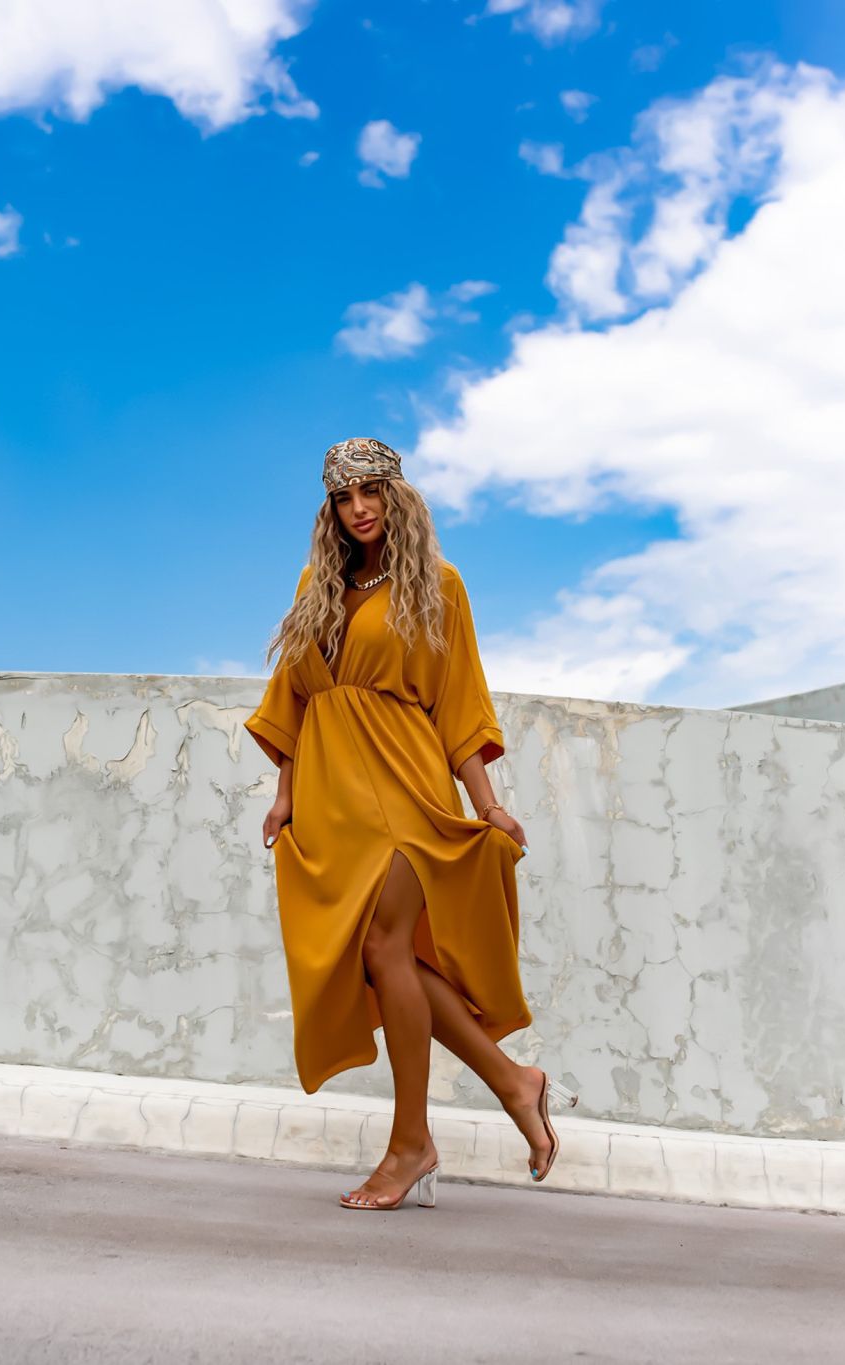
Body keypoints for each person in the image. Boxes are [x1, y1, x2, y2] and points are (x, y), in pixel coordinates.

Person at [243, 437, 578, 1211]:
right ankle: (513, 1082)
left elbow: (459, 700)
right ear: (330, 509)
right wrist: (286, 793)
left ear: (398, 497)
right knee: (379, 954)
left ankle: (410, 1143)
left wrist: (487, 803)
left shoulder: (439, 584)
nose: (358, 508)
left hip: (402, 780)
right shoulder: (316, 583)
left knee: (384, 944)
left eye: (371, 492)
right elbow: (293, 697)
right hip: (330, 794)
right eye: (343, 497)